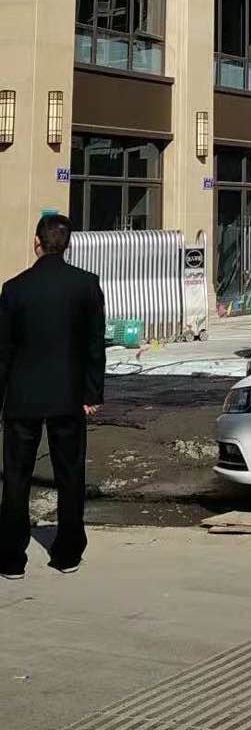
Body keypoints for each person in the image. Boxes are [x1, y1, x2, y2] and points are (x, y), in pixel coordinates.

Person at [0, 213, 105, 578]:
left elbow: (3, 351)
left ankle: (11, 557)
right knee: (70, 474)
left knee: (16, 476)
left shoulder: (14, 289)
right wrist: (92, 393)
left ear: (36, 243)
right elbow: (94, 345)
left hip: (22, 396)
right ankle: (67, 553)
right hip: (69, 394)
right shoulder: (86, 285)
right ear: (68, 244)